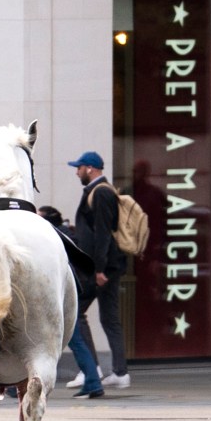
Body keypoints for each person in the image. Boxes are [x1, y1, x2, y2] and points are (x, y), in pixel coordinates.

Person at [66, 151, 130, 389]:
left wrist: (99, 269)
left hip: (100, 268)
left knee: (76, 313)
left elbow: (103, 234)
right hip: (107, 266)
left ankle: (90, 368)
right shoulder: (100, 191)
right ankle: (120, 373)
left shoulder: (101, 192)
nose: (76, 172)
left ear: (90, 168)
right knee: (109, 318)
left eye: (79, 167)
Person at [40, 205, 103, 399]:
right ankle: (93, 381)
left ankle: (93, 381)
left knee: (75, 340)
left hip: (66, 297)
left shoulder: (55, 240)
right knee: (75, 340)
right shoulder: (65, 236)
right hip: (69, 295)